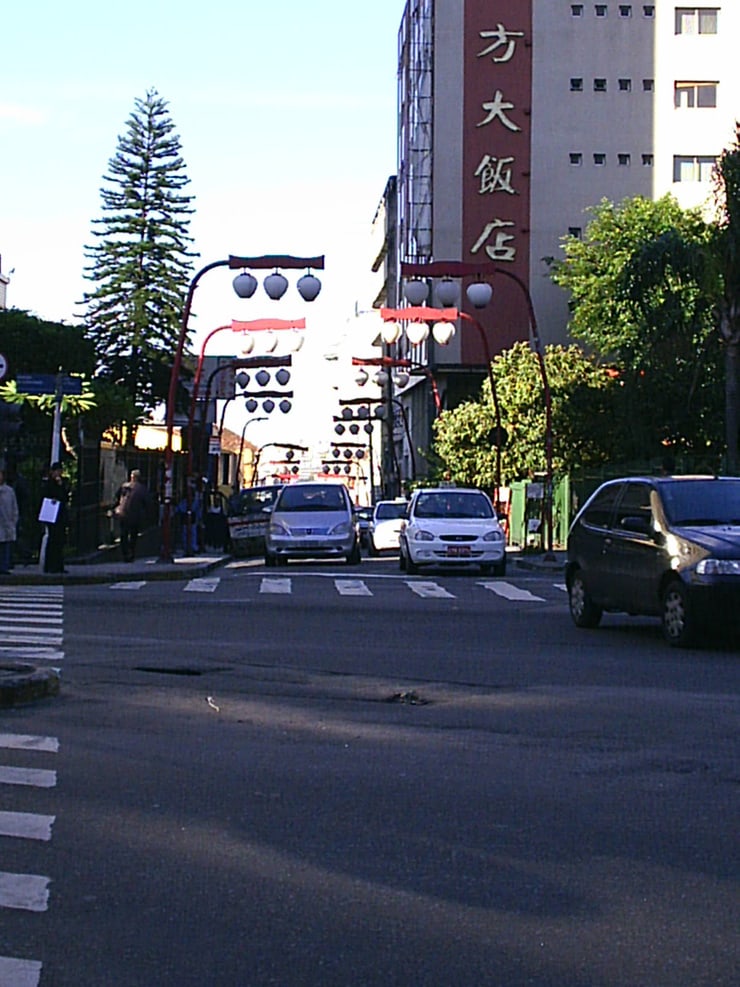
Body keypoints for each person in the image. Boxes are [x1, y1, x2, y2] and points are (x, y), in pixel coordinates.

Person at [114, 469, 151, 562]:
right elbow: (147, 503)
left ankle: (125, 554)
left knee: (124, 534)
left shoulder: (124, 486)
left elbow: (117, 497)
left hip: (123, 514)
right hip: (135, 515)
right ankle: (131, 554)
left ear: (131, 477)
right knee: (133, 536)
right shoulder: (142, 489)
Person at [40, 461, 69, 574]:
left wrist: (61, 485)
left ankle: (58, 565)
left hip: (60, 515)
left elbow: (65, 497)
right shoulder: (48, 484)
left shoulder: (62, 483)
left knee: (59, 541)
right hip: (52, 515)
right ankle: (50, 566)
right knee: (53, 540)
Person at [0, 468, 19, 575]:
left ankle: (4, 566)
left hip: (7, 521)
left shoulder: (9, 491)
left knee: (5, 545)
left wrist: (13, 520)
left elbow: (14, 507)